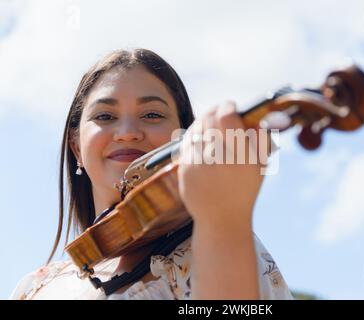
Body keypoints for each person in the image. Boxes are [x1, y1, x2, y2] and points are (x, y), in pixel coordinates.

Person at [9, 49, 293, 300]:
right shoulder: (35, 288)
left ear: (182, 137)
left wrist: (223, 222)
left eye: (153, 115)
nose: (128, 132)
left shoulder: (216, 244)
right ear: (77, 147)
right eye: (105, 117)